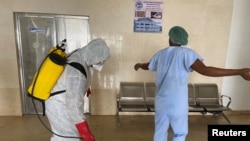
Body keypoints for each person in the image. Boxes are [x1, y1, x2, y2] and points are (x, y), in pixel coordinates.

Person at [134, 26, 250, 141]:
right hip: (177, 103)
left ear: (170, 38)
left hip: (161, 102)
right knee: (179, 133)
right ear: (183, 40)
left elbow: (147, 66)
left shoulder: (160, 54)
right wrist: (238, 71)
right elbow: (205, 70)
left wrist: (139, 65)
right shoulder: (187, 53)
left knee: (160, 132)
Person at [45, 38, 110, 141]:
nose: (101, 63)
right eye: (100, 61)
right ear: (94, 56)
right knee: (68, 138)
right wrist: (86, 133)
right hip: (59, 105)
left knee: (68, 136)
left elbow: (78, 77)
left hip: (62, 100)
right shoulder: (76, 70)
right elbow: (73, 106)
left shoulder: (79, 54)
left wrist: (85, 88)